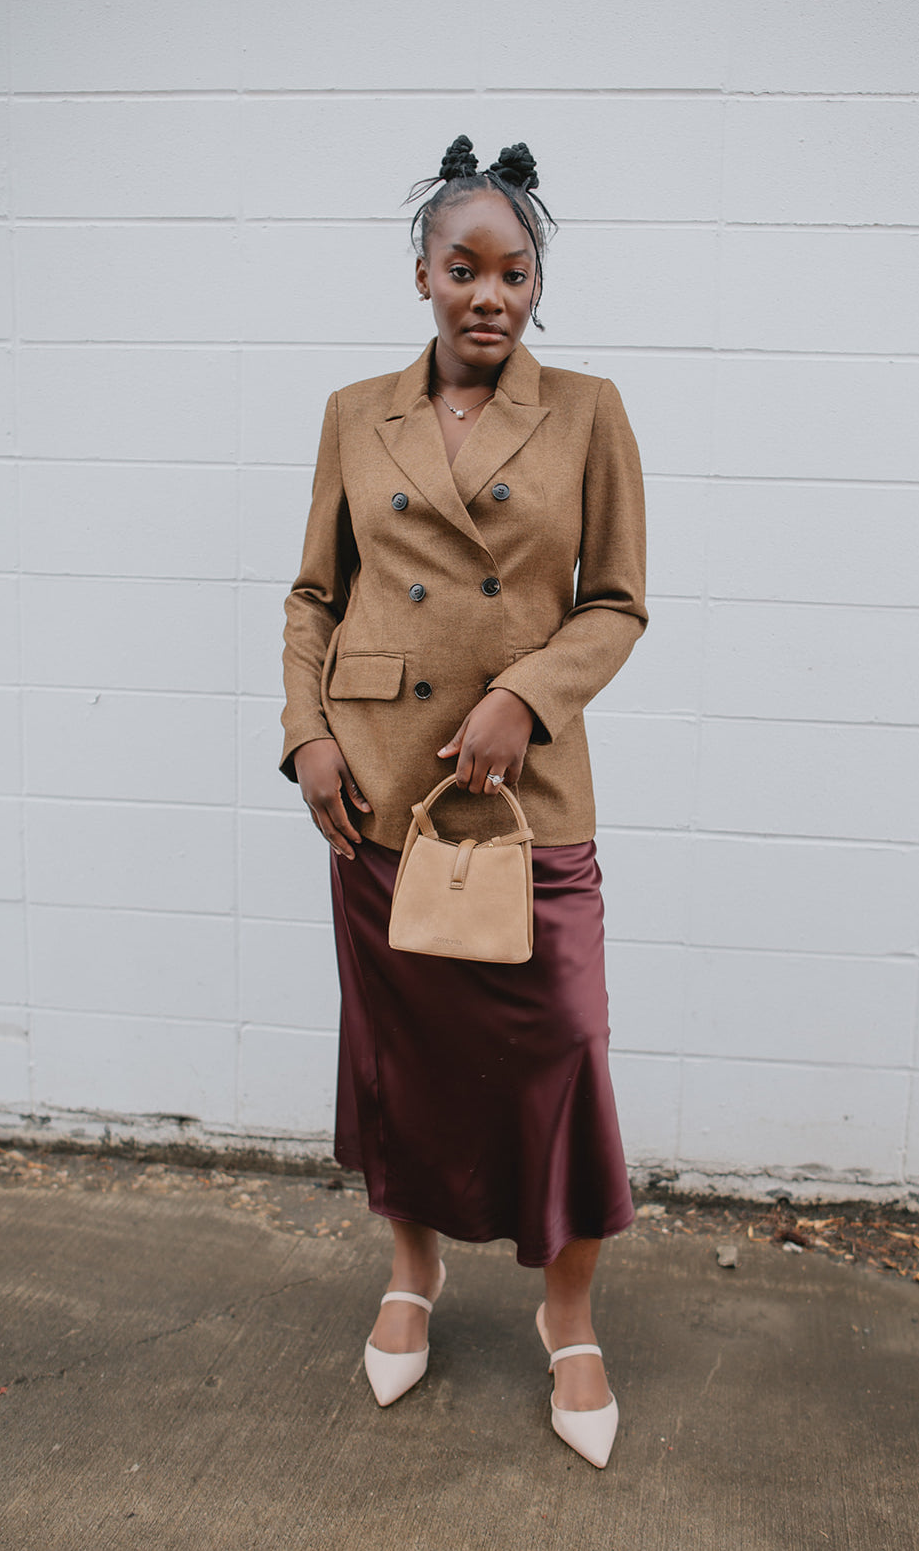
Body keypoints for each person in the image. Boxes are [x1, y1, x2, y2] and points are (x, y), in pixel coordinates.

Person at [279, 136, 647, 1469]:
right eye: (464, 268)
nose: (489, 293)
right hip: (382, 790)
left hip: (526, 792)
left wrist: (525, 697)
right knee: (404, 1053)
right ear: (424, 275)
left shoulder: (590, 412)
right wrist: (306, 735)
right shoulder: (353, 413)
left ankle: (568, 1314)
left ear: (536, 284)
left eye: (514, 272)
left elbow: (616, 602)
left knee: (565, 1043)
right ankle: (411, 1272)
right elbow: (314, 596)